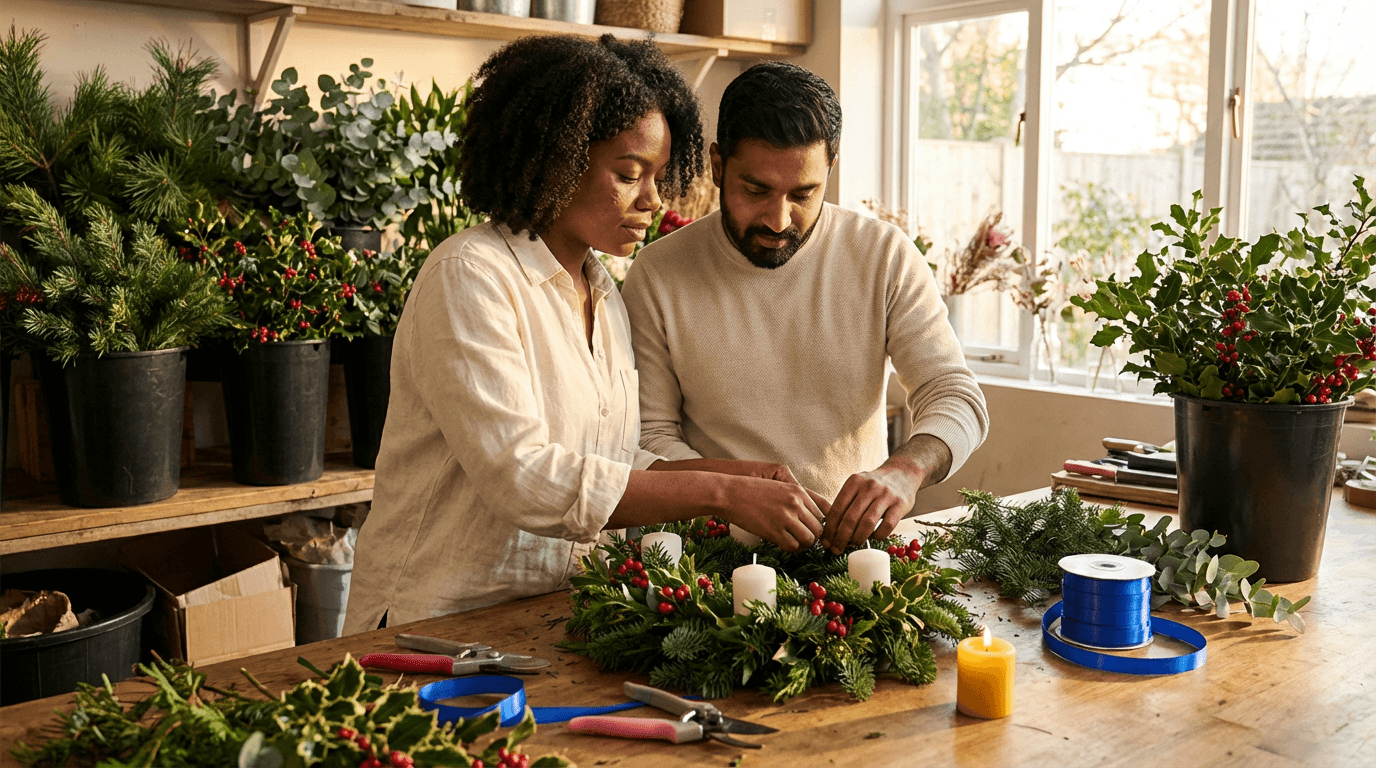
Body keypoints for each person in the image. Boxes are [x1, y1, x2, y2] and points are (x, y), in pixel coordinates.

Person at [344, 37, 827, 633]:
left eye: (658, 176)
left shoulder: (602, 290)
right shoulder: (471, 277)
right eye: (629, 175)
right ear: (556, 159)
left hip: (550, 617)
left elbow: (609, 458)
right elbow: (523, 475)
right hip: (436, 623)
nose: (653, 200)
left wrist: (739, 477)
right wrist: (720, 497)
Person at [622, 61, 989, 557]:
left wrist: (905, 470)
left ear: (830, 169)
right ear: (717, 164)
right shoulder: (658, 272)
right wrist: (738, 501)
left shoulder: (883, 256)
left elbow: (954, 394)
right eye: (756, 191)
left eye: (803, 193)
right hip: (707, 562)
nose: (778, 219)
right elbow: (650, 438)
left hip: (853, 555)